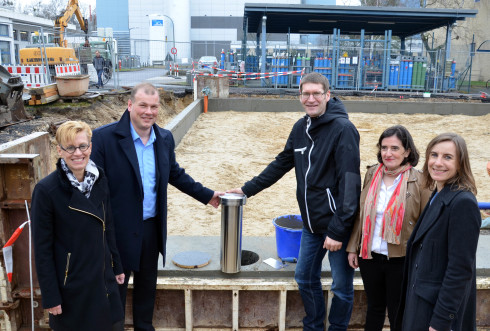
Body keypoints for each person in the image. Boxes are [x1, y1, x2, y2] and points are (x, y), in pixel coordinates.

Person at [228, 72, 361, 331]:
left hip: (338, 226)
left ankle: (337, 328)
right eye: (305, 94)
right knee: (304, 277)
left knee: (341, 286)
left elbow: (350, 185)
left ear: (327, 95)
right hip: (311, 225)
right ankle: (313, 325)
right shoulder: (301, 128)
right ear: (300, 96)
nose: (311, 99)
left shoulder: (343, 130)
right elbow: (281, 163)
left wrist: (337, 230)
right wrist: (246, 190)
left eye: (316, 94)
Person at [90, 82, 223, 331]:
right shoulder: (103, 139)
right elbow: (93, 189)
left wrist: (207, 195)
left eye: (154, 106)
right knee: (114, 292)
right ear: (130, 105)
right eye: (143, 105)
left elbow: (174, 173)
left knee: (146, 288)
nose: (148, 112)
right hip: (116, 232)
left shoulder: (164, 138)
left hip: (151, 229)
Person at [32, 121, 125, 331]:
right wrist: (50, 296)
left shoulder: (99, 178)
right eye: (70, 147)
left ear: (90, 147)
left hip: (103, 281)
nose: (77, 153)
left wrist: (117, 265)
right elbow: (42, 249)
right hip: (72, 286)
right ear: (59, 150)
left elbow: (108, 225)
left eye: (83, 146)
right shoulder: (47, 190)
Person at [346, 125, 431, 331]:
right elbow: (361, 213)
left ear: (407, 151)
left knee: (397, 311)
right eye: (384, 148)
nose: (388, 153)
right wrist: (352, 247)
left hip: (401, 258)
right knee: (374, 307)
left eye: (394, 148)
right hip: (370, 254)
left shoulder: (420, 180)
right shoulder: (372, 173)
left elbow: (426, 223)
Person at [395, 133, 481, 331]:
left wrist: (440, 322)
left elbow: (459, 271)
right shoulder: (438, 194)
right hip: (420, 305)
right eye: (434, 155)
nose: (438, 162)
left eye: (448, 157)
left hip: (435, 315)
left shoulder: (463, 203)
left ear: (461, 163)